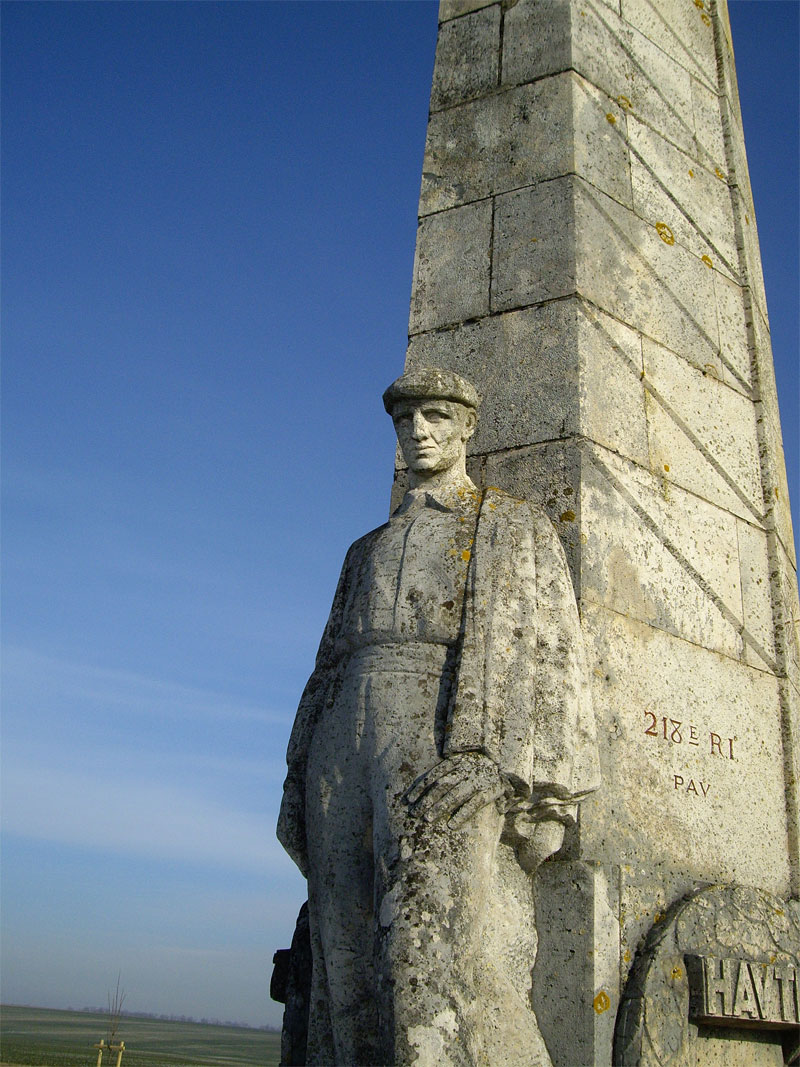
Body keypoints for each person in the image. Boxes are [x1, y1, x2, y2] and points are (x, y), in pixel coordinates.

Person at [277, 367, 599, 1066]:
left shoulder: (506, 524)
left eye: (435, 418)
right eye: (406, 421)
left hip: (436, 732)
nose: (418, 432)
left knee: (430, 946)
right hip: (343, 739)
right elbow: (326, 663)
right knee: (342, 949)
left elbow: (539, 648)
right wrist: (297, 768)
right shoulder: (363, 550)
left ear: (466, 428)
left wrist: (491, 758)